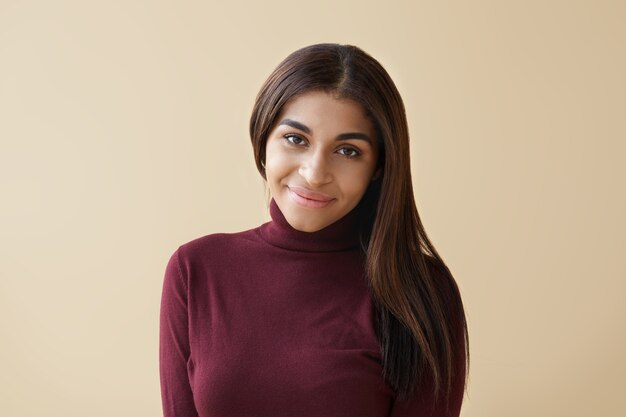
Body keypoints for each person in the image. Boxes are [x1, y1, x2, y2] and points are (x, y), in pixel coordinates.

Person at [159, 43, 469, 417]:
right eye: (296, 139)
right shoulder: (196, 269)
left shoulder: (422, 292)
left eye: (348, 151)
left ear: (379, 167)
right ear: (263, 140)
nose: (315, 173)